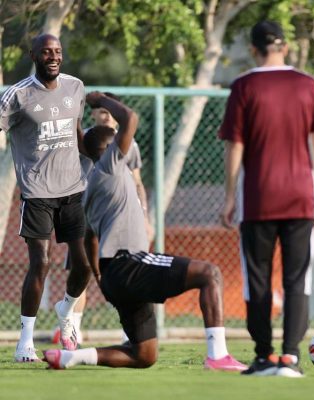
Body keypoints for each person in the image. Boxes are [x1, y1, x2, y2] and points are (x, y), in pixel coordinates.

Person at [43, 92, 246, 371]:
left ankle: (72, 357)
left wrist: (101, 276)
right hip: (130, 263)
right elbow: (131, 118)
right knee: (210, 274)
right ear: (110, 148)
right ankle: (218, 355)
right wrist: (100, 98)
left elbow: (90, 236)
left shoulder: (91, 183)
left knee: (144, 355)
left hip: (114, 274)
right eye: (115, 140)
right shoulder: (110, 166)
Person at [218, 20, 314, 377]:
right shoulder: (307, 84)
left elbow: (235, 145)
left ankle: (264, 356)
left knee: (259, 279)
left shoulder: (244, 86)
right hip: (301, 198)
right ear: (286, 47)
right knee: (299, 278)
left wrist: (229, 195)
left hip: (259, 199)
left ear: (254, 49)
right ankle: (291, 357)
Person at [0, 34, 92, 362]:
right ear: (34, 56)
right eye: (46, 52)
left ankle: (66, 309)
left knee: (84, 265)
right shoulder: (17, 95)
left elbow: (77, 133)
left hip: (74, 190)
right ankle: (24, 341)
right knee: (41, 263)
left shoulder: (75, 86)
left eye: (57, 52)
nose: (53, 57)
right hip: (37, 192)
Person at [52, 92, 150, 346]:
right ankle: (73, 326)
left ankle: (128, 329)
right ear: (93, 114)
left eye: (109, 110)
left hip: (114, 215)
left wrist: (145, 214)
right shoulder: (93, 144)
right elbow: (129, 117)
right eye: (101, 110)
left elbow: (137, 181)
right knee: (83, 270)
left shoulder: (123, 147)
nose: (105, 115)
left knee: (117, 270)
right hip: (92, 213)